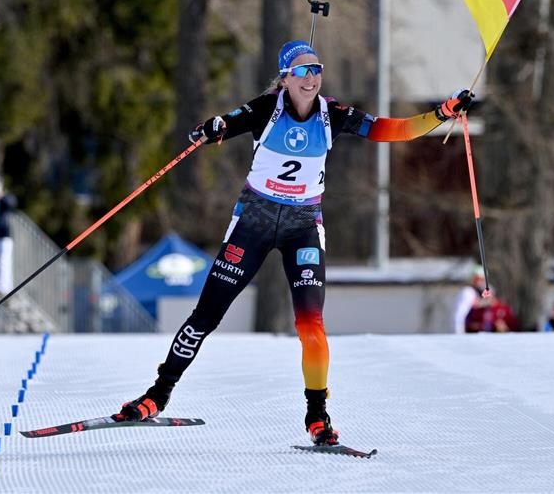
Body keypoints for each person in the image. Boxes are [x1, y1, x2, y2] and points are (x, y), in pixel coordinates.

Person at [115, 39, 473, 447]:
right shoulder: (266, 108)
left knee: (311, 326)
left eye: (316, 69)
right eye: (302, 71)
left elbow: (396, 130)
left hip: (303, 226)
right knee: (205, 316)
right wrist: (209, 129)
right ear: (285, 77)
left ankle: (317, 416)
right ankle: (156, 396)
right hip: (254, 221)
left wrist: (443, 112)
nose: (311, 78)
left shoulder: (333, 114)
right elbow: (224, 123)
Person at [452, 264, 485, 334]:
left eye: (482, 279)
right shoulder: (468, 292)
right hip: (467, 331)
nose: (481, 281)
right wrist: (460, 333)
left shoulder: (479, 291)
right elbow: (460, 314)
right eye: (478, 278)